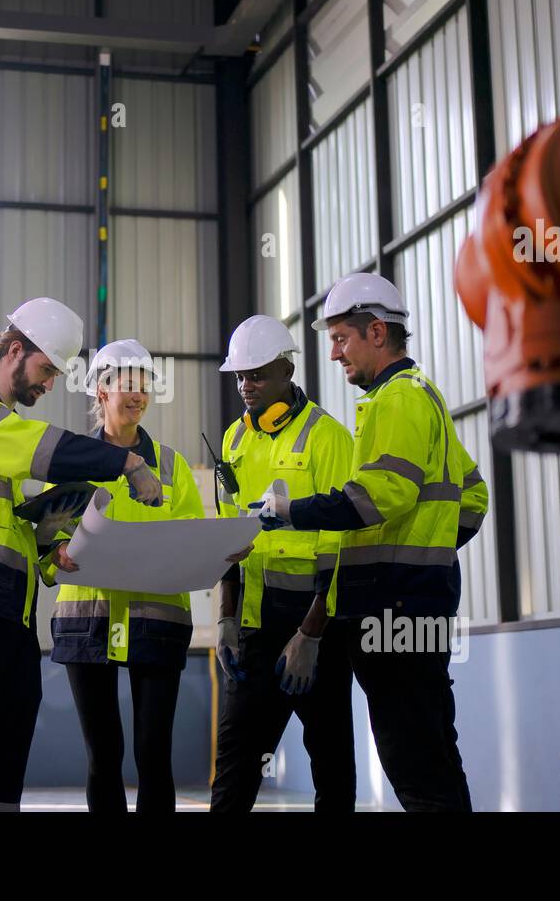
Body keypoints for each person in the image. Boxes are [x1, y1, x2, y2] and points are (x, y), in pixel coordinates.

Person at [0, 297, 163, 812]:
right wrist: (127, 462)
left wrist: (53, 549)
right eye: (46, 370)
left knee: (7, 748)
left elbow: (17, 529)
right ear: (15, 350)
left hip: (11, 610)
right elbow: (42, 447)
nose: (48, 385)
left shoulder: (2, 438)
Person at [250, 272, 489, 812]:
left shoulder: (396, 402)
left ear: (377, 332)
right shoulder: (422, 396)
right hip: (414, 600)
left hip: (393, 604)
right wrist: (430, 555)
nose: (334, 354)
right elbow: (473, 497)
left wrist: (291, 513)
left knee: (413, 759)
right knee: (429, 752)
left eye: (340, 339)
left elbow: (375, 498)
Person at [41, 339, 207, 813]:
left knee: (154, 755)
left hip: (157, 623)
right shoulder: (69, 460)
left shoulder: (171, 465)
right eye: (124, 384)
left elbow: (194, 538)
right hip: (85, 624)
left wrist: (218, 552)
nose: (136, 395)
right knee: (104, 756)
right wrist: (56, 552)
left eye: (143, 385)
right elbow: (47, 541)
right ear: (100, 390)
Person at [209, 314, 355, 812]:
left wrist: (311, 635)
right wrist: (226, 617)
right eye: (240, 377)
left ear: (287, 370)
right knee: (234, 764)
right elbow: (228, 538)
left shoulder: (328, 437)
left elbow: (340, 546)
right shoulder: (233, 439)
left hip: (318, 627)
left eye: (257, 375)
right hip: (253, 624)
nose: (246, 386)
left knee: (332, 763)